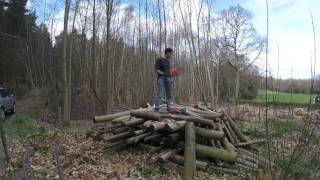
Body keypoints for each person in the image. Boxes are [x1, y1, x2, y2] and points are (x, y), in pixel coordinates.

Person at [154, 48, 177, 112]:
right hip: (161, 78)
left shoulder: (168, 62)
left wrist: (173, 74)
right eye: (170, 53)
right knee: (159, 93)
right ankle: (157, 108)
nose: (171, 55)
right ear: (167, 53)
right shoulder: (160, 60)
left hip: (168, 79)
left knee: (169, 94)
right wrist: (164, 74)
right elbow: (156, 70)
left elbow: (169, 72)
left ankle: (169, 108)